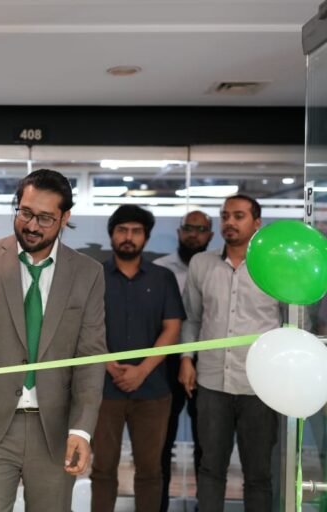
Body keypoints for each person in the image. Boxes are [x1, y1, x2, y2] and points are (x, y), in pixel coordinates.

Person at [0, 168, 108, 511]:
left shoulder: (87, 273)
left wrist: (82, 430)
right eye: (25, 213)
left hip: (55, 430)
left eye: (45, 218)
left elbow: (91, 356)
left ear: (65, 217)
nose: (32, 225)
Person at [179, 195, 281, 512]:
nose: (229, 222)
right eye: (225, 216)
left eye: (238, 216)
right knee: (210, 468)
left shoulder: (274, 267)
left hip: (260, 386)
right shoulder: (201, 264)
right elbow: (193, 318)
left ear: (257, 223)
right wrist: (186, 359)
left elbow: (289, 324)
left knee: (259, 474)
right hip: (212, 382)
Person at [90, 205, 184, 512]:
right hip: (103, 390)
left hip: (153, 390)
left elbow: (172, 328)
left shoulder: (163, 278)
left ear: (146, 237)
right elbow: (85, 327)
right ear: (111, 235)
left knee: (150, 471)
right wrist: (108, 364)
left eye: (136, 231)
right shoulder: (93, 277)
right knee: (102, 469)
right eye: (122, 230)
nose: (128, 237)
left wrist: (142, 371)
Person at [152, 210, 213, 512]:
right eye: (188, 228)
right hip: (166, 362)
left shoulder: (216, 269)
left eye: (200, 230)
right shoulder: (160, 270)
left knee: (207, 445)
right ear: (179, 232)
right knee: (162, 443)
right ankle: (158, 506)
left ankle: (207, 505)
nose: (194, 235)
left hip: (209, 362)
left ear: (210, 236)